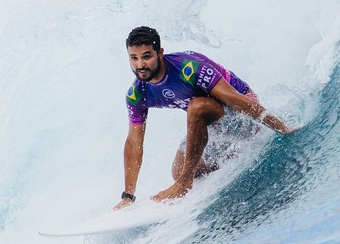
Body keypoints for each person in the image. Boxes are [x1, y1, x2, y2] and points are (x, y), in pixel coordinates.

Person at [115, 26, 297, 210]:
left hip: (241, 116)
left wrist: (283, 129)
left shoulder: (188, 67)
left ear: (160, 53)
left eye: (147, 56)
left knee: (197, 107)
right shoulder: (137, 94)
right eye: (134, 58)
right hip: (213, 126)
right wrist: (128, 196)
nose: (140, 65)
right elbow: (134, 142)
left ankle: (184, 184)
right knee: (178, 170)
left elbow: (234, 99)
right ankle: (227, 160)